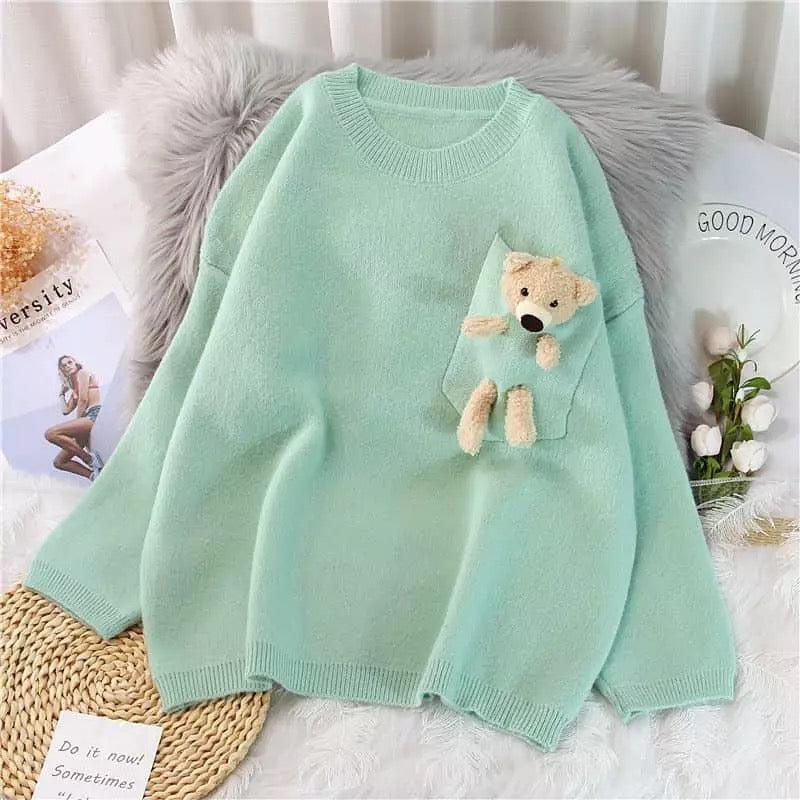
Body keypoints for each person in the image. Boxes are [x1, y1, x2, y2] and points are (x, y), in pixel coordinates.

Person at [45, 354, 102, 480]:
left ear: (75, 362)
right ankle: (94, 476)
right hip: (85, 420)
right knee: (59, 462)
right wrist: (61, 394)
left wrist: (77, 424)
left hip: (94, 415)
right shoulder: (75, 389)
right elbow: (65, 410)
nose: (67, 366)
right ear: (63, 370)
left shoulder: (82, 373)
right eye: (64, 366)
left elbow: (83, 400)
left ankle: (90, 460)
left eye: (69, 362)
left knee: (51, 434)